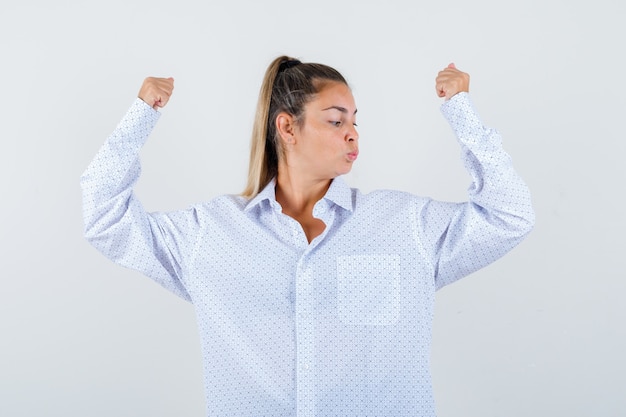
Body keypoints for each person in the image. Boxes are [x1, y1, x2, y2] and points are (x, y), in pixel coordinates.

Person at [81, 56, 534, 416]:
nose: (353, 134)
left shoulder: (403, 224)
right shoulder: (212, 232)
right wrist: (140, 116)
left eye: (355, 122)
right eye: (336, 121)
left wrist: (462, 112)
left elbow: (509, 215)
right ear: (287, 126)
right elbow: (104, 218)